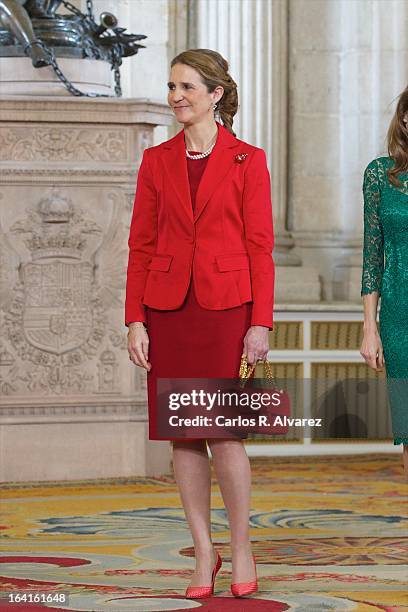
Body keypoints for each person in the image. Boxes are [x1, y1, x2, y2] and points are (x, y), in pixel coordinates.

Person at [125, 48, 274, 597]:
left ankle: (240, 547)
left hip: (226, 311)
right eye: (171, 86)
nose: (176, 96)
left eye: (187, 86)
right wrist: (134, 320)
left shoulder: (248, 159)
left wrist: (261, 323)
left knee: (225, 435)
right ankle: (203, 551)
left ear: (216, 94)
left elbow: (261, 248)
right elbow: (139, 247)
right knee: (182, 439)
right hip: (167, 313)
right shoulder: (155, 160)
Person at [360, 84, 408, 481]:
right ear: (405, 118)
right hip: (399, 316)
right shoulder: (380, 175)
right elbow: (372, 256)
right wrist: (370, 328)